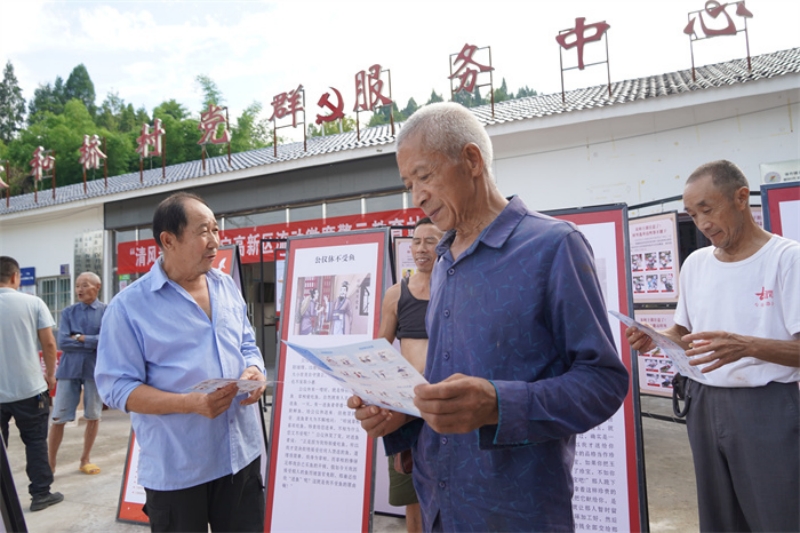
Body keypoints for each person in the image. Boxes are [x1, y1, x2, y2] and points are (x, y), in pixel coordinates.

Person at [348, 102, 629, 532]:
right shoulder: (443, 261)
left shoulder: (554, 247)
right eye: (408, 183)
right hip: (439, 499)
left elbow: (603, 382)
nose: (416, 195)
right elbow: (445, 379)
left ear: (471, 161)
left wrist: (499, 405)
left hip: (515, 510)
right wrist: (402, 412)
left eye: (424, 175)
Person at [626, 160, 800, 532]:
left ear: (741, 198)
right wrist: (656, 339)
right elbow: (682, 332)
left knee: (779, 514)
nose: (702, 223)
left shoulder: (787, 259)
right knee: (719, 517)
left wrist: (747, 346)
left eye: (707, 209)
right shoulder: (696, 264)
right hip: (703, 403)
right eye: (692, 213)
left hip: (766, 405)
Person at [95, 192, 267, 533]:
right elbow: (117, 388)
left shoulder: (226, 286)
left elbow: (247, 342)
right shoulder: (129, 307)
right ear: (168, 240)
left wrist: (255, 370)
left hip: (241, 455)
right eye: (204, 230)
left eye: (216, 229)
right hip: (178, 470)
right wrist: (190, 403)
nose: (215, 241)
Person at [378, 217, 443, 533]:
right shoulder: (396, 294)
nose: (421, 248)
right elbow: (379, 350)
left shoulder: (455, 289)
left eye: (430, 241)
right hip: (407, 409)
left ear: (444, 244)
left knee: (452, 493)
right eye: (416, 241)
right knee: (413, 496)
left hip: (446, 405)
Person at [0, 256, 64, 512]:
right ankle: (40, 494)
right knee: (35, 442)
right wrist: (50, 375)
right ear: (15, 277)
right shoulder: (33, 302)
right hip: (29, 388)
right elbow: (48, 343)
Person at [48, 272, 106, 476]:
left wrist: (80, 337)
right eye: (77, 286)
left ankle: (85, 459)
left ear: (97, 287)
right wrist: (91, 342)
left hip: (93, 370)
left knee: (93, 415)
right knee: (59, 417)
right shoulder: (68, 312)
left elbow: (107, 340)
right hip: (69, 369)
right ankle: (50, 463)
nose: (79, 289)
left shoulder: (107, 311)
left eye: (85, 285)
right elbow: (63, 342)